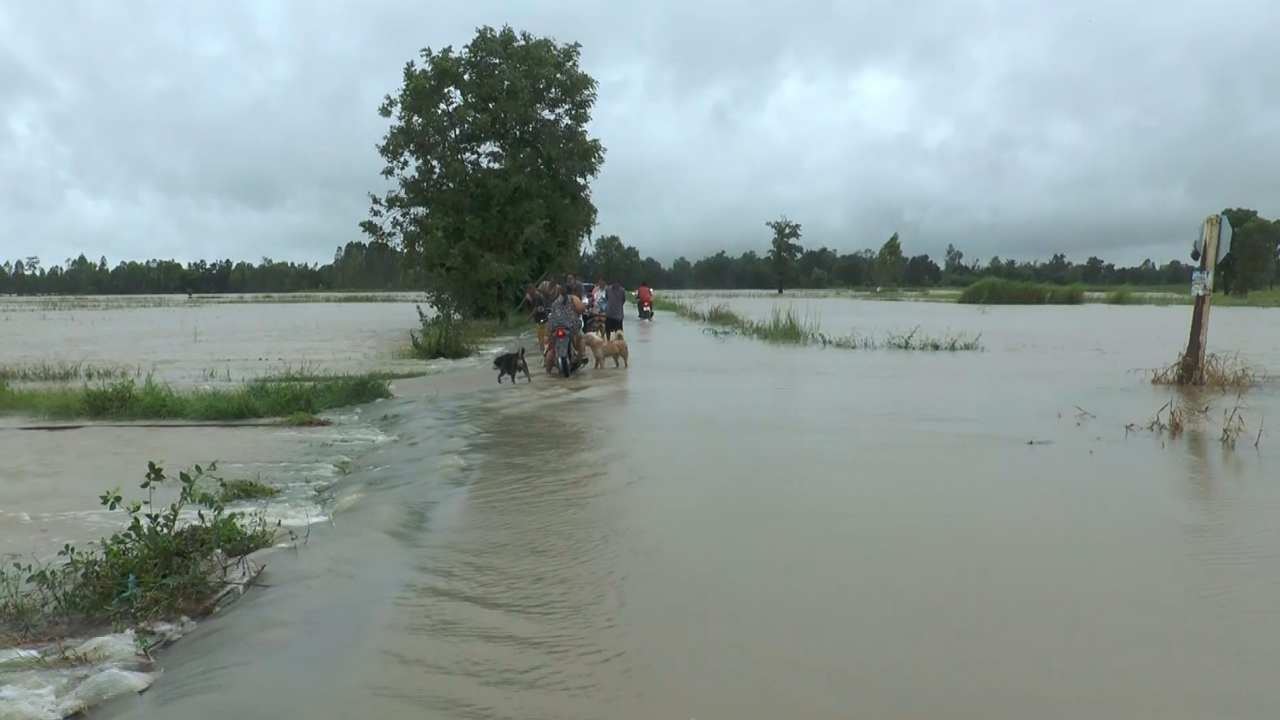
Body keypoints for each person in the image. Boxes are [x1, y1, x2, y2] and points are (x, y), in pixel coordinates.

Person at [547, 275, 587, 369]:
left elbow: (552, 315)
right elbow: (581, 309)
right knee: (581, 337)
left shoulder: (556, 301)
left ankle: (548, 369)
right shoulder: (573, 298)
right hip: (571, 327)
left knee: (551, 347)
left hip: (556, 327)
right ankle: (583, 355)